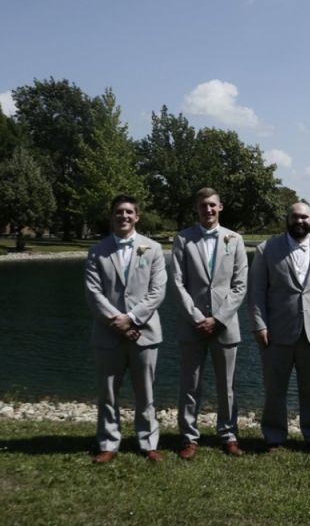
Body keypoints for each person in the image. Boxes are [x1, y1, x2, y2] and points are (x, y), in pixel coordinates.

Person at [85, 194, 167, 464]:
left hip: (144, 333)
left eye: (129, 212)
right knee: (107, 392)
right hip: (108, 333)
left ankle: (148, 442)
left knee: (146, 392)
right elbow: (94, 293)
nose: (124, 216)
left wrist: (132, 318)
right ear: (112, 216)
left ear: (137, 216)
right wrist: (118, 323)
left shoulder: (153, 249)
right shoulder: (97, 251)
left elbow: (157, 292)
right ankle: (108, 442)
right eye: (119, 212)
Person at [248, 202, 310, 452]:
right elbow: (256, 293)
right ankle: (274, 435)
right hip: (275, 332)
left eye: (304, 217)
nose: (300, 221)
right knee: (275, 389)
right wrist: (259, 326)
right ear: (287, 218)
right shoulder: (266, 249)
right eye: (295, 217)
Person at [170, 188, 248, 459]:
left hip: (225, 325)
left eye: (213, 205)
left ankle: (228, 435)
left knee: (227, 387)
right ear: (197, 208)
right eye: (203, 205)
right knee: (190, 385)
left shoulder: (235, 239)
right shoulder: (183, 239)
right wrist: (196, 317)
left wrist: (218, 318)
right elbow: (177, 283)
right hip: (192, 325)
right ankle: (189, 437)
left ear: (220, 207)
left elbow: (240, 286)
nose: (209, 210)